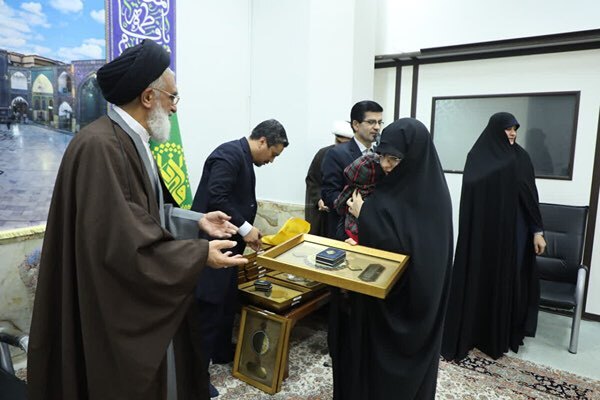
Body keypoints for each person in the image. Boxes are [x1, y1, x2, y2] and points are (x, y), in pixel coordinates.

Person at [27, 39, 248, 400]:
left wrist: (197, 221)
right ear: (148, 97)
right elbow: (121, 242)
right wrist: (198, 255)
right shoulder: (100, 146)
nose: (175, 107)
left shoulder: (131, 140)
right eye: (172, 97)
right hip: (112, 303)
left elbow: (145, 214)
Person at [333, 118, 453, 399]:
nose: (385, 165)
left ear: (414, 157)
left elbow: (415, 252)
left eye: (394, 159)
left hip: (407, 301)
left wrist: (365, 215)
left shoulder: (430, 197)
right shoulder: (391, 184)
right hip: (375, 295)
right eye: (382, 156)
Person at [191, 119, 289, 395]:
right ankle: (196, 377)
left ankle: (221, 352)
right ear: (262, 141)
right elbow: (217, 197)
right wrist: (246, 229)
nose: (271, 161)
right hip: (212, 247)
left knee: (226, 303)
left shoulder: (243, 157)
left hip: (229, 248)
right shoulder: (228, 154)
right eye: (273, 154)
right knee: (208, 310)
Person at [442, 112, 547, 362]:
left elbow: (530, 195)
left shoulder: (521, 157)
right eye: (508, 128)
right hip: (483, 232)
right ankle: (475, 331)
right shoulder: (477, 156)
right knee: (481, 275)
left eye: (515, 129)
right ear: (495, 129)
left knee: (509, 277)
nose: (512, 133)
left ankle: (503, 333)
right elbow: (471, 193)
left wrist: (537, 231)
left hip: (515, 230)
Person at [321, 100, 383, 239]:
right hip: (345, 230)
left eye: (380, 122)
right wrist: (355, 205)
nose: (377, 127)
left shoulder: (382, 155)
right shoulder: (336, 154)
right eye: (371, 122)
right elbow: (329, 193)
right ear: (355, 124)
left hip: (374, 229)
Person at [305, 120, 353, 236]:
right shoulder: (323, 153)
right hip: (324, 213)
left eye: (344, 144)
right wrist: (318, 199)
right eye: (338, 142)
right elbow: (312, 180)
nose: (340, 146)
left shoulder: (356, 158)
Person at [333, 152, 380, 244]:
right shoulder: (380, 192)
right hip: (368, 236)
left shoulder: (351, 189)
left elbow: (338, 205)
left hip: (350, 231)